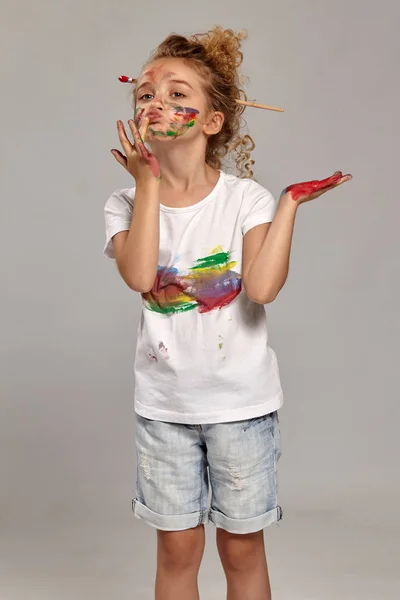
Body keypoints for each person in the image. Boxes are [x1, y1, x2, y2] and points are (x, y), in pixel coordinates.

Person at [103, 26, 352, 600]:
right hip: (164, 409)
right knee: (177, 551)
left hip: (242, 408)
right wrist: (146, 185)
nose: (156, 102)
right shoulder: (123, 203)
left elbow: (261, 289)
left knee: (241, 549)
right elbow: (141, 278)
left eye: (177, 94)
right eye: (145, 94)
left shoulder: (246, 200)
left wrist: (288, 203)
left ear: (213, 121)